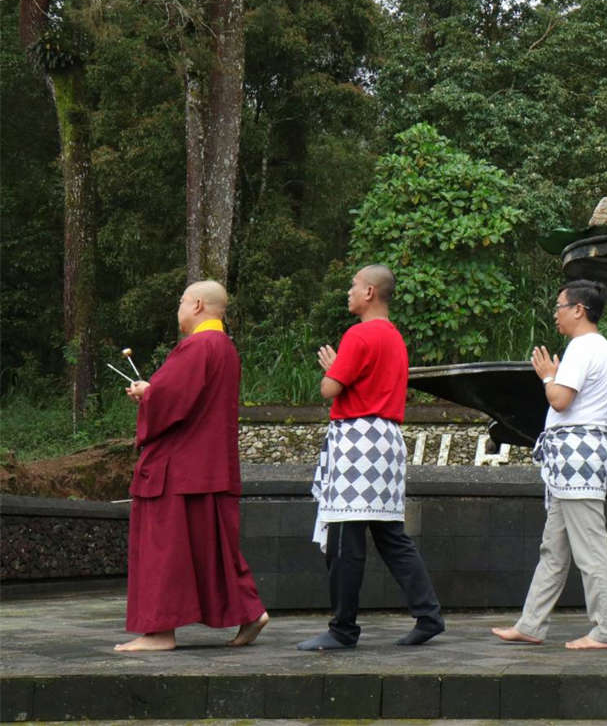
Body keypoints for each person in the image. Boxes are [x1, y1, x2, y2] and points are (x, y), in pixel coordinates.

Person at [297, 265, 445, 650]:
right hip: (387, 440)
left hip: (357, 442)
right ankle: (428, 614)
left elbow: (330, 388)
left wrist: (333, 370)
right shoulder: (394, 337)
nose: (349, 291)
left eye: (353, 285)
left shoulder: (359, 335)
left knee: (345, 539)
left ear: (369, 292)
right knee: (390, 534)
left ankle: (342, 629)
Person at [115, 280, 268, 652]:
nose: (179, 309)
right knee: (212, 549)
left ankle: (159, 632)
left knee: (163, 549)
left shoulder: (197, 346)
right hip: (209, 468)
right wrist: (155, 393)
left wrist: (147, 394)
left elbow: (169, 402)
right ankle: (250, 611)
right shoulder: (225, 348)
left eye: (182, 302)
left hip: (177, 469)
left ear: (197, 304)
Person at [491, 280, 607, 650]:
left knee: (591, 548)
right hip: (575, 459)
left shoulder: (583, 347)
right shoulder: (596, 346)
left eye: (560, 306)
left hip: (577, 458)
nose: (555, 314)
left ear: (578, 310)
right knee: (554, 548)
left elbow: (560, 400)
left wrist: (548, 376)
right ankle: (531, 624)